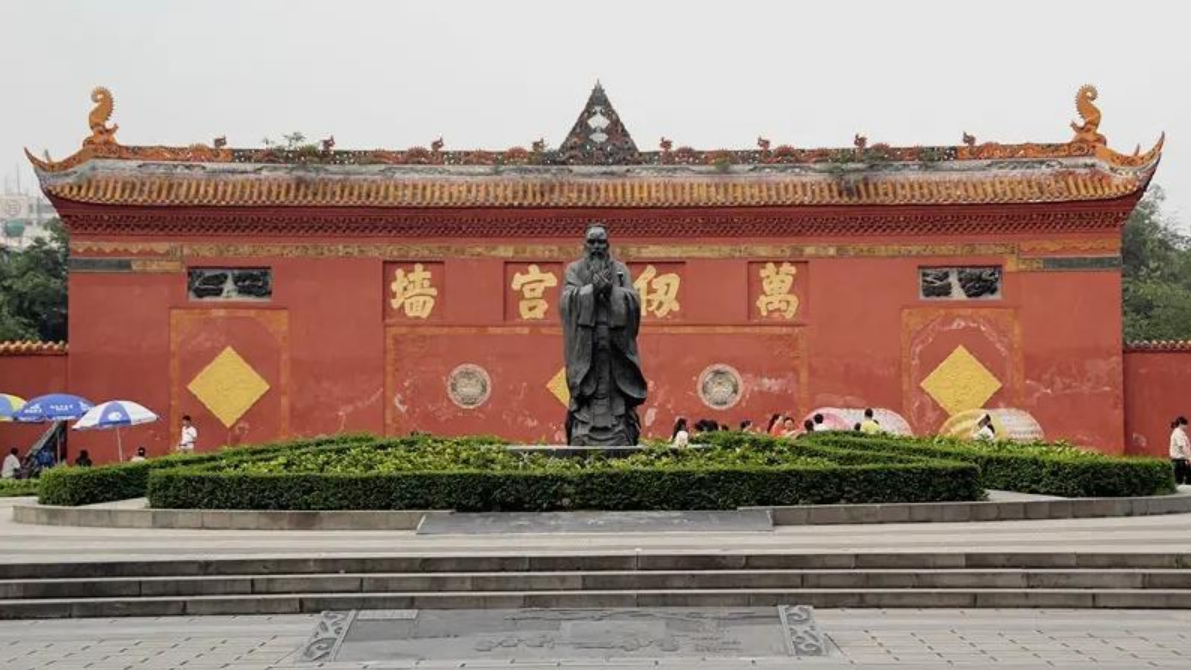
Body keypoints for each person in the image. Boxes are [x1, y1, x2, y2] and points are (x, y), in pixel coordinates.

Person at [559, 223, 648, 446]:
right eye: (592, 242)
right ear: (585, 244)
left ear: (608, 244)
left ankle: (619, 427)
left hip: (614, 342)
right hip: (586, 343)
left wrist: (612, 291)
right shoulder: (574, 270)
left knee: (614, 385)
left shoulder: (620, 270)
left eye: (601, 242)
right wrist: (592, 290)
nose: (597, 246)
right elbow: (567, 301)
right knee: (587, 384)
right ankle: (583, 427)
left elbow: (633, 301)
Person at [1170, 417, 1191, 485]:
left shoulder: (1181, 433)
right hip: (1179, 462)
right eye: (1186, 424)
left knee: (1186, 481)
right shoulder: (1178, 433)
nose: (1187, 426)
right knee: (1179, 482)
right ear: (1181, 424)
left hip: (1182, 460)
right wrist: (1189, 458)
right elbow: (1182, 447)